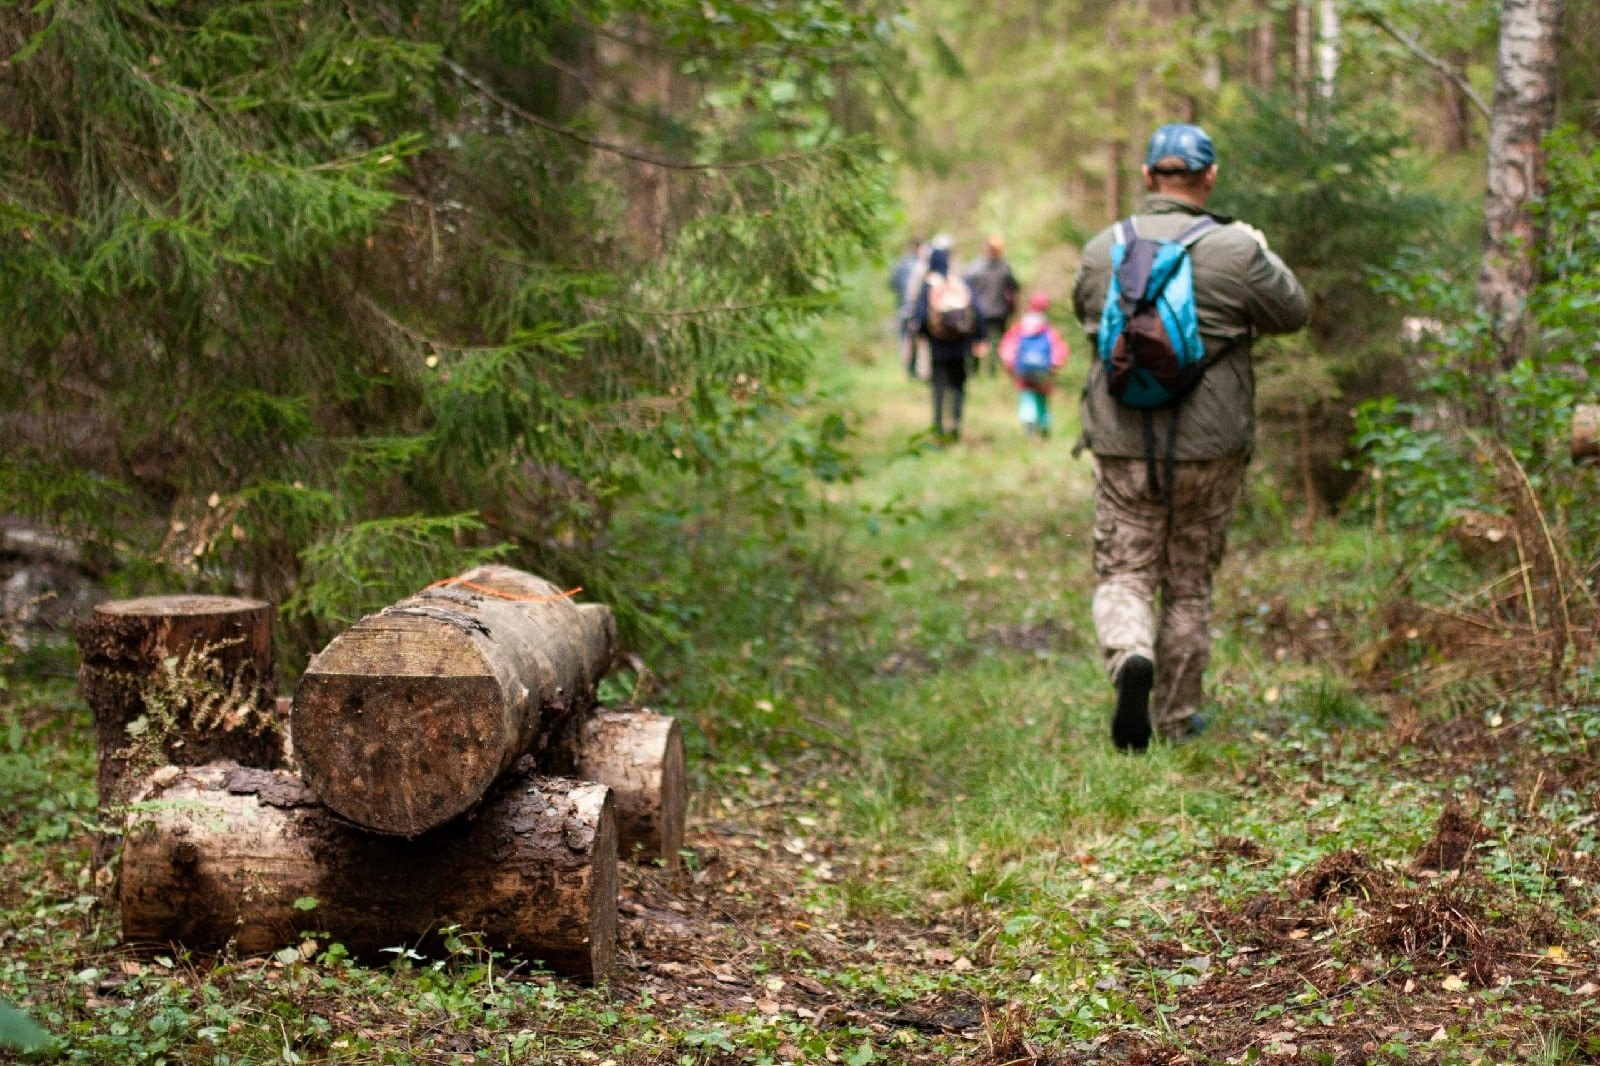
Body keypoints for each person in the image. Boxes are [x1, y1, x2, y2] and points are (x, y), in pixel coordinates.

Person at [1071, 122, 1309, 751]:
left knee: (1124, 570)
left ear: (1149, 177)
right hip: (1211, 446)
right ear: (1209, 178)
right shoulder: (1237, 249)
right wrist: (1262, 249)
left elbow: (1087, 314)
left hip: (1123, 442)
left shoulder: (1103, 249)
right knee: (1188, 582)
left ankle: (1128, 657)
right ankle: (1176, 718)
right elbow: (1293, 313)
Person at [913, 237, 984, 442]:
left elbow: (920, 317)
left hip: (938, 347)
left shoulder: (929, 285)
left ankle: (937, 427)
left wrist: (923, 337)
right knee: (959, 385)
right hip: (961, 345)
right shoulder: (959, 282)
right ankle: (955, 424)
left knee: (938, 386)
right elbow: (976, 312)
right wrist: (979, 337)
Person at [998, 292, 1069, 437]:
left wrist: (1011, 366)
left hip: (1023, 370)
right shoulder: (1048, 330)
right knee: (1042, 398)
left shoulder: (1020, 328)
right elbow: (1059, 351)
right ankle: (1044, 426)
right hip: (1043, 371)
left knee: (1027, 396)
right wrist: (1055, 366)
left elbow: (1007, 348)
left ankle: (1028, 423)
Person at [965, 235, 1020, 376]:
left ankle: (979, 371)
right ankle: (989, 372)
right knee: (992, 343)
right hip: (996, 312)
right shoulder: (1004, 268)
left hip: (984, 311)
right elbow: (1015, 287)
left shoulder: (974, 268)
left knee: (983, 342)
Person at [889, 237, 922, 376]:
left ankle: (908, 368)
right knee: (917, 339)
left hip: (903, 307)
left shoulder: (900, 264)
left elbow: (892, 284)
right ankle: (915, 369)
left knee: (905, 338)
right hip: (917, 309)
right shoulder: (922, 265)